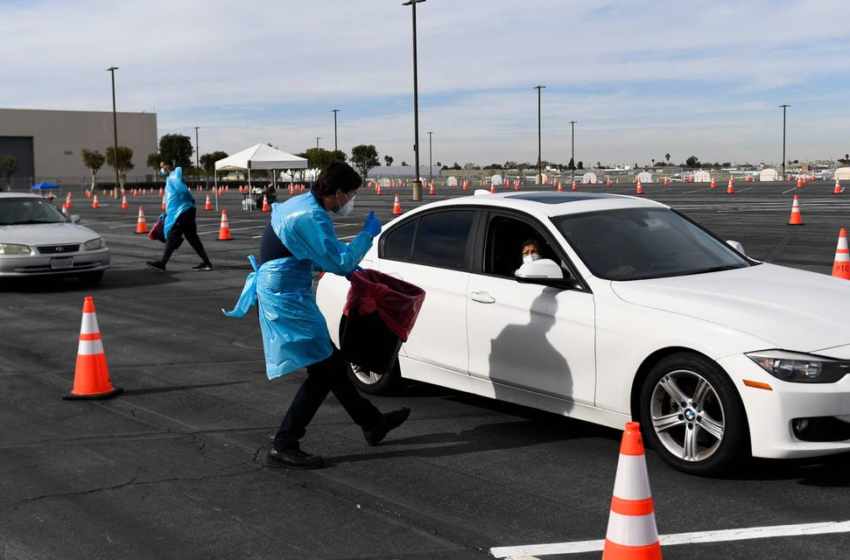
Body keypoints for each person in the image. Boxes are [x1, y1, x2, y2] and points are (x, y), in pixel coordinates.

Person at [223, 161, 409, 470]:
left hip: (286, 291)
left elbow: (311, 248)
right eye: (351, 194)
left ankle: (372, 422)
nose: (351, 201)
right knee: (323, 371)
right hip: (285, 298)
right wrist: (366, 236)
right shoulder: (312, 214)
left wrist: (347, 264)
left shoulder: (302, 204)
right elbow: (340, 263)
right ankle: (284, 444)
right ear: (337, 193)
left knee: (330, 363)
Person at [146, 160, 213, 272]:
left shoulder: (173, 176)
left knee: (172, 236)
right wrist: (166, 212)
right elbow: (174, 197)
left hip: (182, 212)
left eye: (161, 167)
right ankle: (206, 262)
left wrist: (190, 198)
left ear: (167, 166)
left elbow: (182, 190)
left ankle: (162, 263)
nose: (160, 170)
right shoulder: (171, 177)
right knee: (192, 237)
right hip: (186, 211)